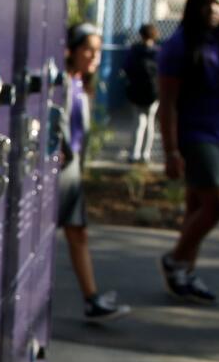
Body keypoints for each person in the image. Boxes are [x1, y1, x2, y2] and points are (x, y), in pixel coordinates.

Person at [157, 0, 219, 304]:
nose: (214, 9)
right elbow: (167, 104)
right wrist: (170, 150)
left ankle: (185, 272)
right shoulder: (179, 47)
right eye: (207, 2)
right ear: (194, 6)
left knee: (197, 207)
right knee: (217, 204)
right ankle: (175, 259)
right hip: (196, 137)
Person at [58, 23, 131, 321]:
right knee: (73, 233)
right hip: (60, 171)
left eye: (98, 50)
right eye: (88, 49)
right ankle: (90, 299)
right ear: (71, 51)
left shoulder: (79, 85)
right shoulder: (62, 83)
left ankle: (92, 298)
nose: (94, 56)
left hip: (71, 169)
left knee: (79, 233)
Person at [124, 24, 161, 163]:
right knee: (150, 122)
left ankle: (134, 153)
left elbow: (127, 68)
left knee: (138, 122)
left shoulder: (134, 50)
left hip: (136, 91)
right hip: (153, 93)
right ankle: (146, 154)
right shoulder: (158, 52)